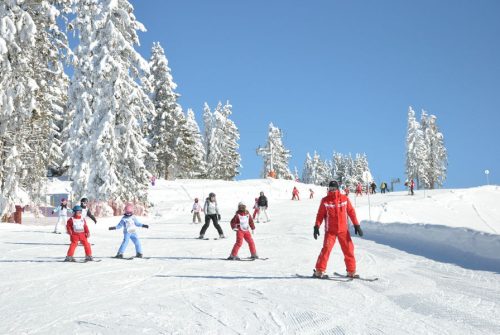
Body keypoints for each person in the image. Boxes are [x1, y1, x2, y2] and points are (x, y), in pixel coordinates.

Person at [312, 180, 363, 278]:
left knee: (349, 250)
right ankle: (319, 271)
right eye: (330, 188)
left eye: (334, 188)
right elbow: (320, 215)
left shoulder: (344, 199)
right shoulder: (325, 200)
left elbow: (351, 212)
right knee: (326, 249)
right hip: (330, 231)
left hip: (343, 230)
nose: (332, 190)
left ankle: (351, 271)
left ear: (337, 188)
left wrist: (356, 225)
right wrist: (316, 226)